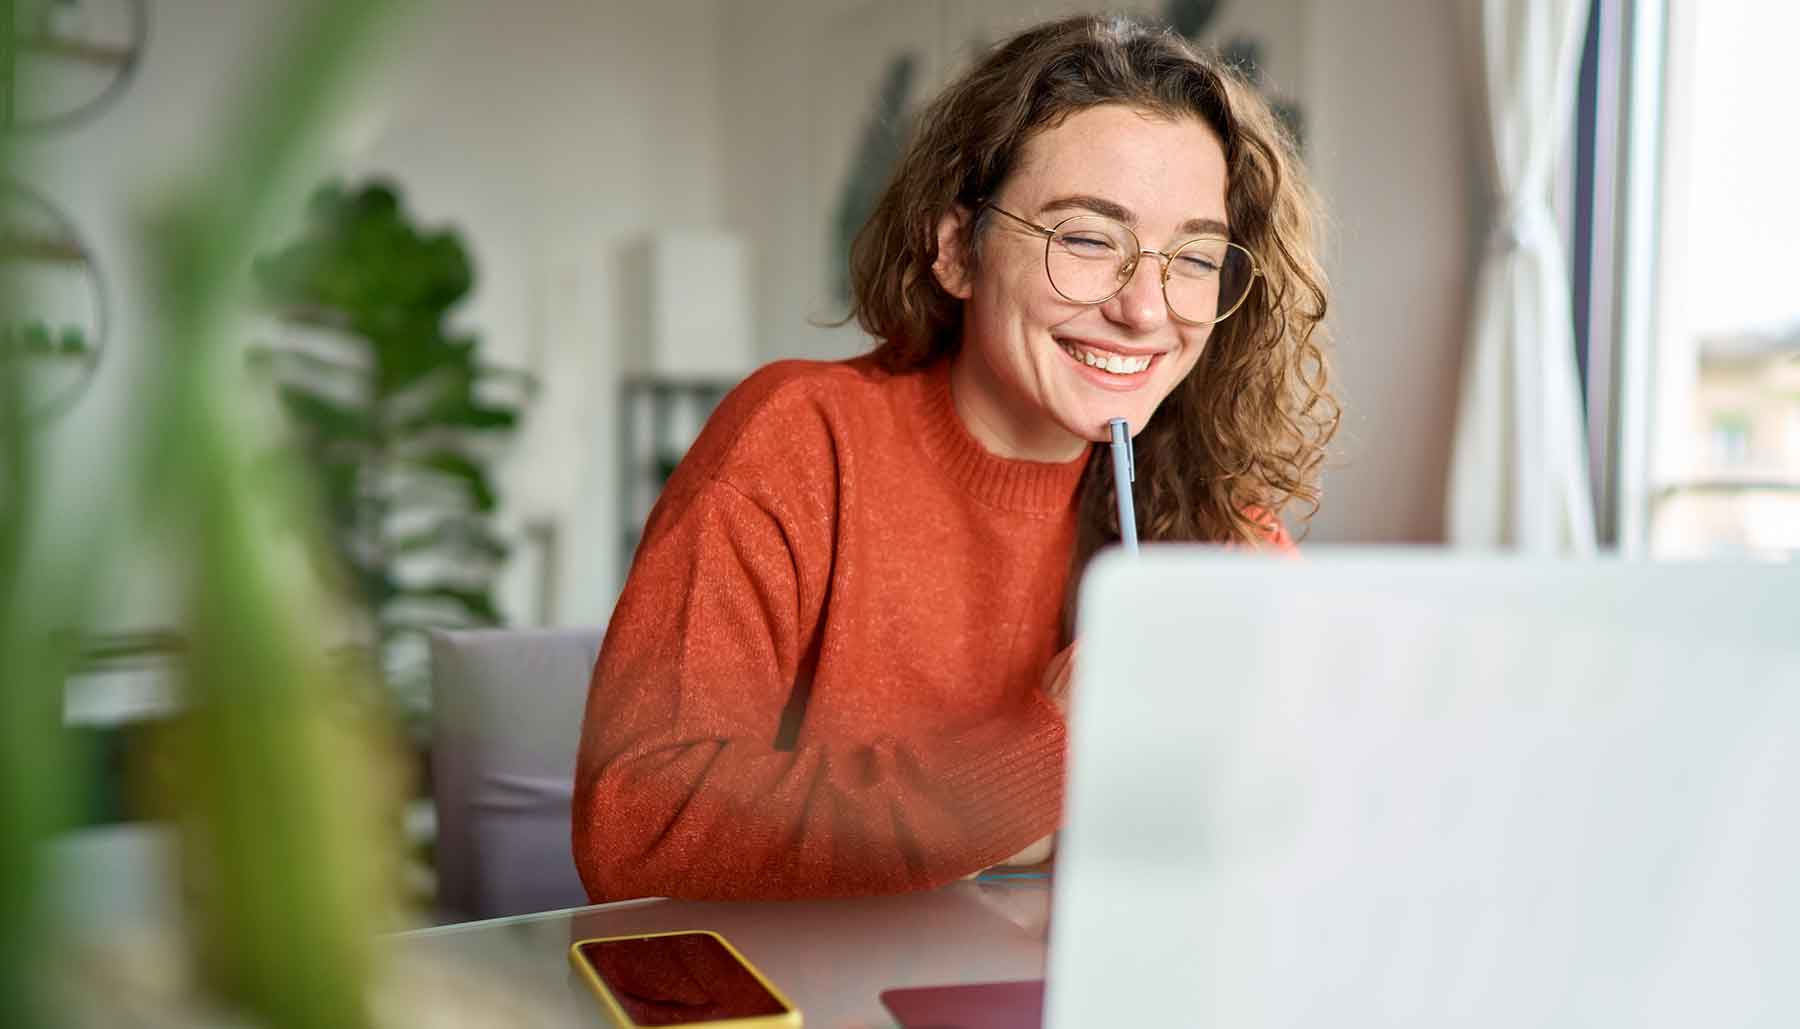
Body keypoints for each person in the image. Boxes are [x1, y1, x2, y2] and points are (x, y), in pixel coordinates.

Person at [572, 13, 1336, 902]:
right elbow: (637, 824)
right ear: (955, 250)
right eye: (1087, 239)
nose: (1145, 308)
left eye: (1194, 257)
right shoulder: (798, 441)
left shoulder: (1211, 513)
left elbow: (1297, 818)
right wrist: (1044, 757)